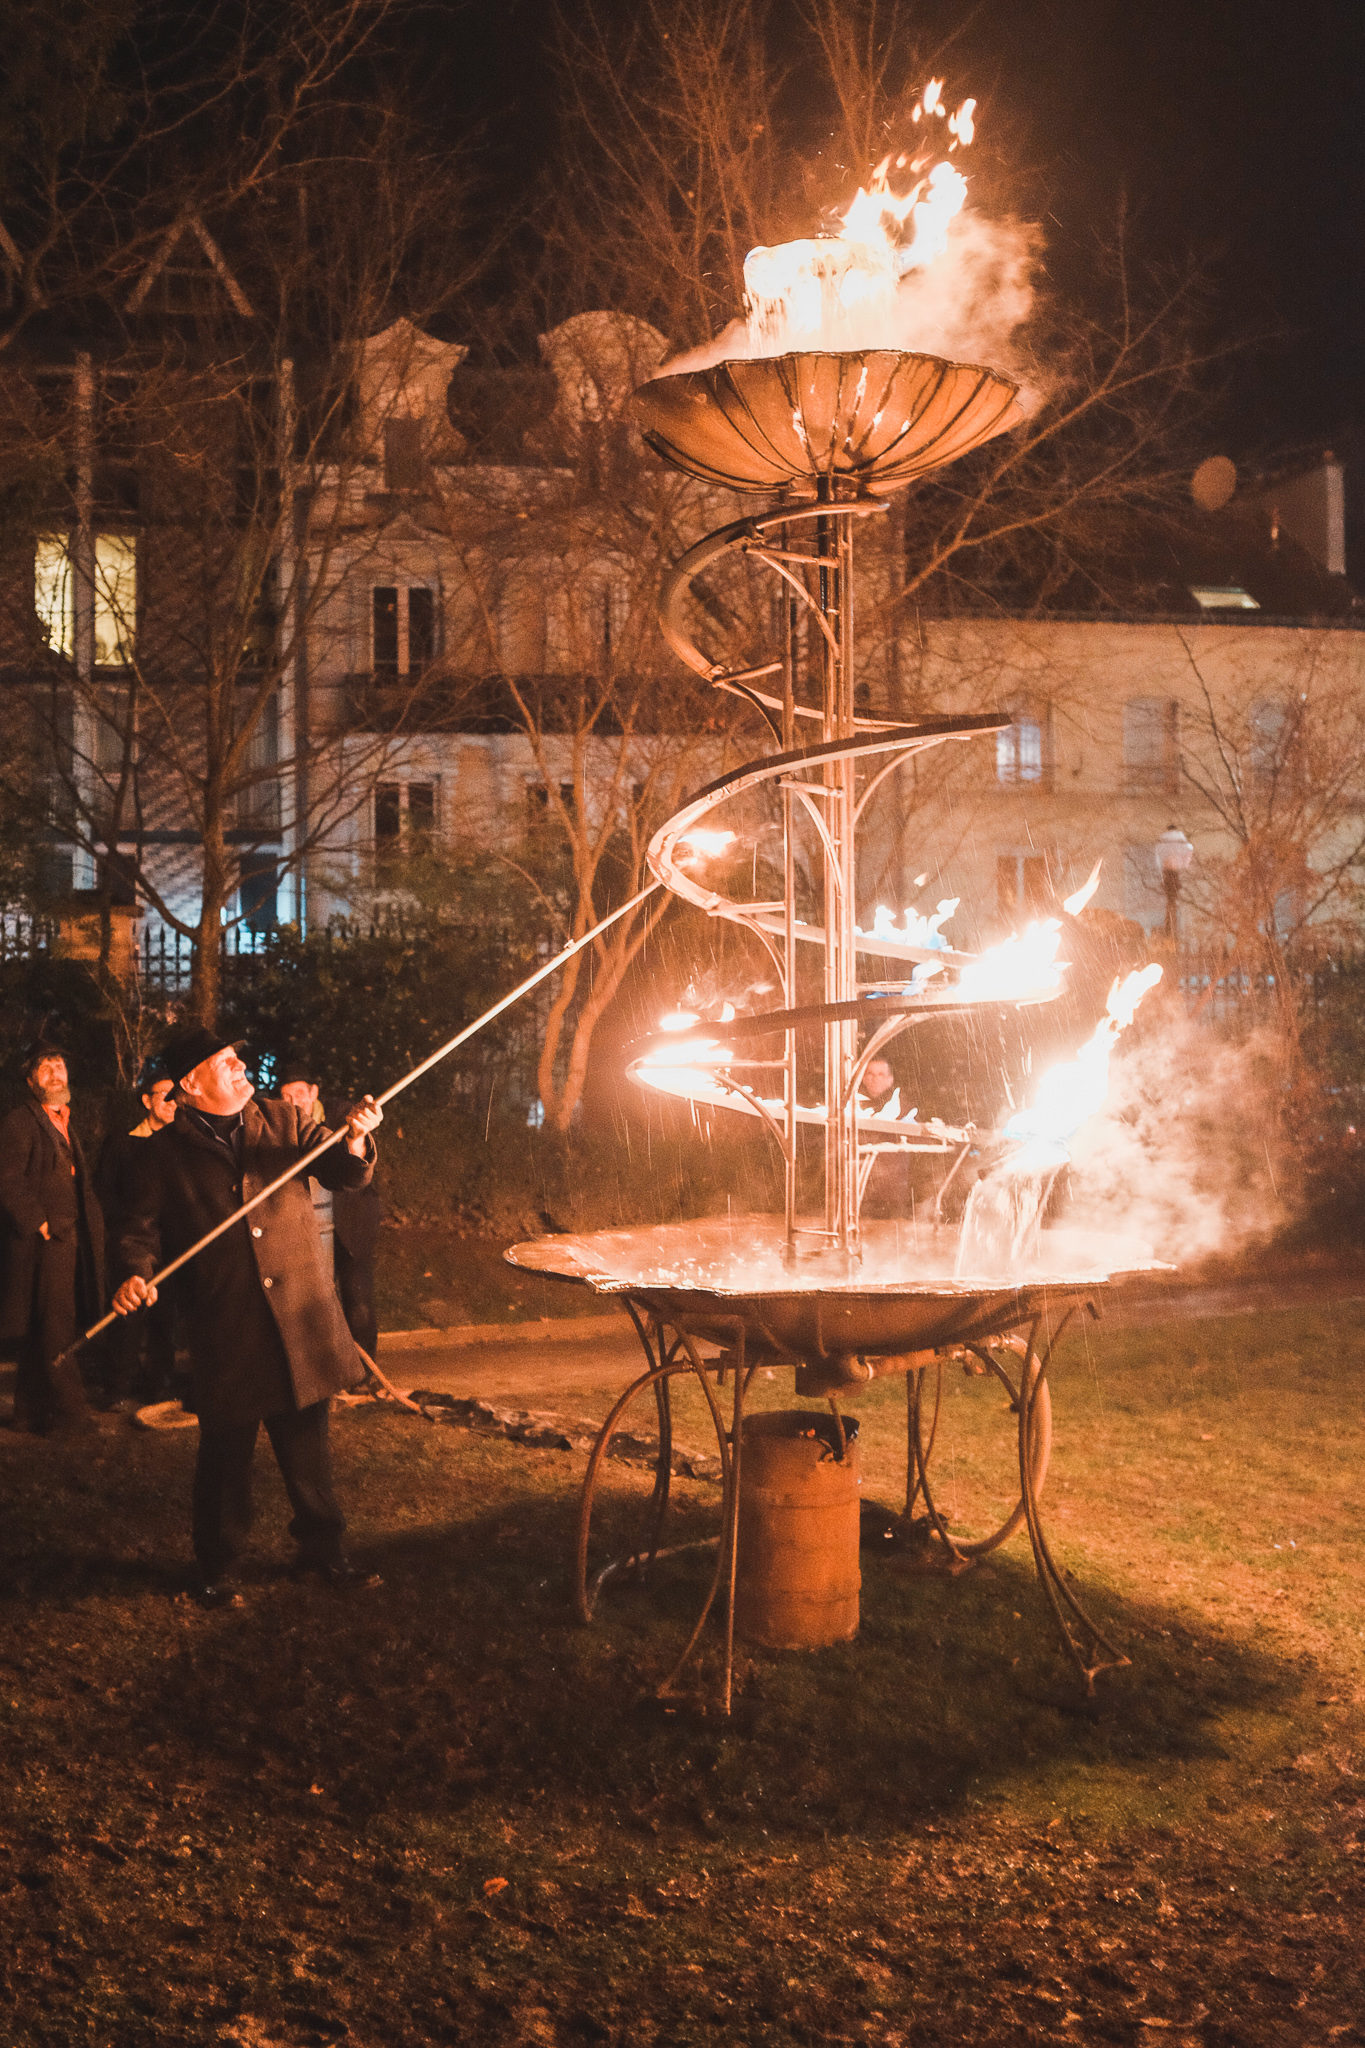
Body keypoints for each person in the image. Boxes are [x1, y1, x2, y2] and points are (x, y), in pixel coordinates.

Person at [112, 1026, 383, 1607]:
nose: (241, 1068)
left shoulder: (283, 1121)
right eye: (226, 1061)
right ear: (191, 1082)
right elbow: (138, 1230)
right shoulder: (161, 1154)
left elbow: (343, 1171)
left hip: (298, 1316)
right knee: (225, 1457)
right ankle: (215, 1565)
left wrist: (356, 1139)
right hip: (227, 1321)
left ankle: (323, 1551)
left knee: (308, 1444)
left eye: (237, 1059)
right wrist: (136, 1272)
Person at [0, 1040, 105, 1436]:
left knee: (42, 1326)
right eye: (44, 1069)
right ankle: (68, 1415)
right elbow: (7, 1178)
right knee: (57, 1325)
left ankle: (27, 1413)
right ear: (31, 1081)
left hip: (66, 1236)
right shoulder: (20, 1121)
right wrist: (41, 1224)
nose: (54, 1073)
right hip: (44, 1242)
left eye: (58, 1065)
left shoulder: (63, 1119)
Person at [277, 1061, 381, 1360]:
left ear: (313, 1092)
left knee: (357, 1301)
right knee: (315, 1303)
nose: (293, 1102)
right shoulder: (283, 1124)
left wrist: (357, 1136)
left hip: (351, 1225)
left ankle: (365, 1373)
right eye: (285, 1096)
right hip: (309, 1228)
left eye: (298, 1093)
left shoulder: (342, 1117)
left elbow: (361, 1166)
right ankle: (324, 1369)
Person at [95, 1057, 180, 1407]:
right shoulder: (123, 1143)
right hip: (132, 1242)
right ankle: (117, 1386)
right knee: (129, 1316)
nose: (172, 1104)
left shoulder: (182, 1145)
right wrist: (123, 1232)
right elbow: (104, 1191)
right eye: (164, 1097)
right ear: (147, 1101)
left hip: (173, 1245)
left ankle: (158, 1384)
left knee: (166, 1318)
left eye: (177, 1098)